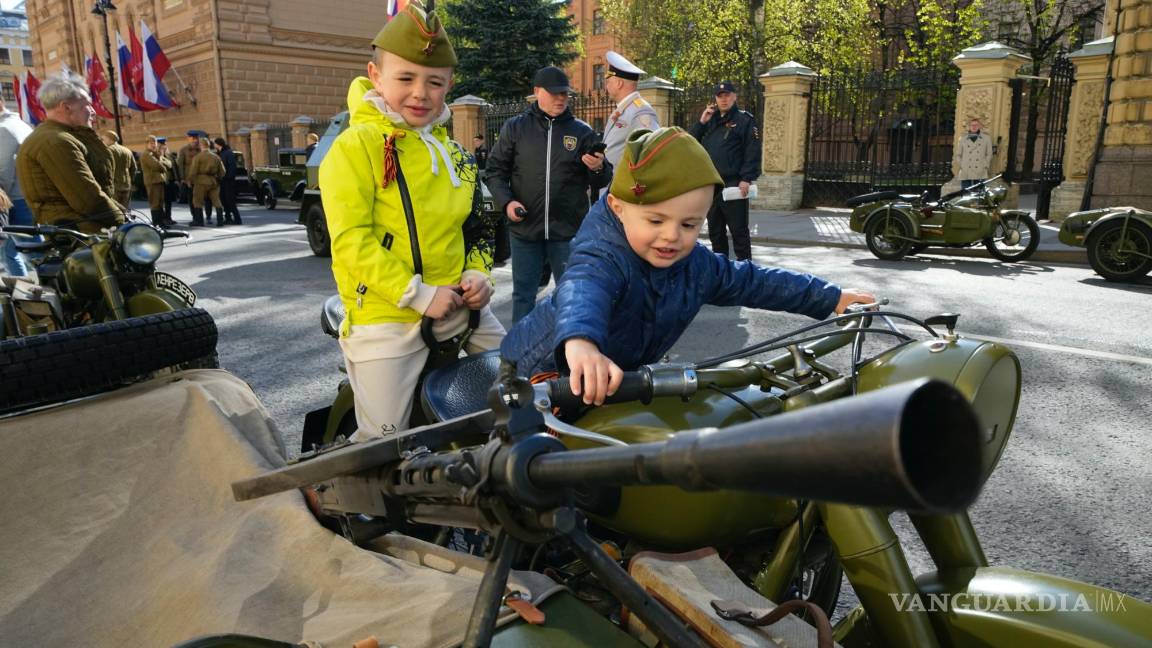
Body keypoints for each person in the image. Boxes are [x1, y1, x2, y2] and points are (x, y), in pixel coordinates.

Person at [500, 127, 874, 404]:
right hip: (536, 378)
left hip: (610, 380)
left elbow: (755, 281)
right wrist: (582, 343)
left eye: (689, 225)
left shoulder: (696, 266)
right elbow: (583, 289)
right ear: (618, 208)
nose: (671, 237)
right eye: (656, 221)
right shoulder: (603, 254)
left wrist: (833, 297)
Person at [318, 3, 504, 441]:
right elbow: (350, 243)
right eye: (405, 78)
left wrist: (478, 274)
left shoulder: (456, 155)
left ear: (449, 85)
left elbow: (478, 227)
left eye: (434, 82)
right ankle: (354, 502)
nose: (420, 93)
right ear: (375, 75)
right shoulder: (354, 148)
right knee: (385, 442)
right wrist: (417, 294)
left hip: (461, 309)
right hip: (387, 315)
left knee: (522, 388)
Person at [485, 65, 610, 323]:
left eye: (564, 93)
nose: (561, 98)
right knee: (523, 296)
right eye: (554, 93)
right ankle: (518, 355)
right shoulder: (516, 128)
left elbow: (602, 178)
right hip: (525, 229)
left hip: (567, 232)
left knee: (571, 295)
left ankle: (566, 353)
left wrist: (598, 168)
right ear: (537, 92)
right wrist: (507, 203)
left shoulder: (581, 131)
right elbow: (495, 170)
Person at [15, 72, 122, 233]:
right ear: (66, 107)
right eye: (87, 105)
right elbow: (87, 198)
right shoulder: (56, 141)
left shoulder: (63, 136)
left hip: (83, 231)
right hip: (80, 237)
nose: (93, 111)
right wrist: (124, 223)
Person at [689, 81, 761, 261]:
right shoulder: (710, 121)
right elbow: (689, 142)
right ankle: (721, 274)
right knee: (715, 232)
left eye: (727, 95)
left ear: (734, 97)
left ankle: (746, 273)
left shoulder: (744, 120)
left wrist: (746, 178)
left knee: (739, 233)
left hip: (734, 185)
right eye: (720, 96)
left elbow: (752, 150)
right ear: (715, 99)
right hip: (712, 185)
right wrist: (701, 122)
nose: (724, 99)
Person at [602, 50, 659, 167]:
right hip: (612, 182)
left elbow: (652, 149)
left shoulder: (641, 110)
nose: (606, 86)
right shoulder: (624, 108)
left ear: (619, 83)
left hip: (626, 183)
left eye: (608, 81)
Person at [0, 97, 35, 276]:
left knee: (8, 253)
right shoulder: (20, 123)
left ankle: (21, 296)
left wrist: (1, 199)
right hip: (26, 195)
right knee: (37, 249)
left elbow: (3, 169)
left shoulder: (3, 129)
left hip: (13, 200)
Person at [187, 136, 225, 227]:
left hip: (201, 181)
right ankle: (220, 221)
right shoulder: (216, 157)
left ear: (201, 145)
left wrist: (190, 180)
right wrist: (218, 178)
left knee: (197, 201)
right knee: (216, 201)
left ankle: (199, 221)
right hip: (213, 181)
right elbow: (223, 171)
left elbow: (193, 171)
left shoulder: (198, 157)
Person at [140, 135, 174, 228]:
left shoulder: (156, 154)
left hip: (159, 181)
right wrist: (162, 163)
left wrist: (161, 161)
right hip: (152, 182)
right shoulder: (147, 154)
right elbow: (157, 166)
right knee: (155, 203)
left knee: (160, 203)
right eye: (151, 143)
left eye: (154, 143)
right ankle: (156, 224)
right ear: (147, 144)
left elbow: (170, 164)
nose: (154, 145)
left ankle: (161, 223)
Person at [100, 130, 137, 210]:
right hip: (127, 185)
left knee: (115, 211)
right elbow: (134, 168)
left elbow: (105, 169)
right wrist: (130, 180)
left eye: (103, 139)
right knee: (125, 210)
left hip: (114, 187)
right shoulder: (127, 150)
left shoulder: (108, 150)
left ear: (110, 139)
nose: (102, 142)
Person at [954, 118, 993, 190]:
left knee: (979, 194)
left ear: (979, 126)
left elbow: (989, 154)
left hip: (980, 169)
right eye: (972, 125)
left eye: (976, 125)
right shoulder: (962, 139)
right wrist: (962, 165)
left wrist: (985, 165)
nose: (974, 127)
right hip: (966, 170)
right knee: (966, 194)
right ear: (969, 126)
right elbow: (958, 155)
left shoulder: (986, 138)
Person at [214, 137, 242, 225]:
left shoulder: (228, 153)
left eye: (215, 144)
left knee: (230, 200)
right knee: (224, 200)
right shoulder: (220, 153)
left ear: (218, 144)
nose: (214, 145)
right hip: (222, 181)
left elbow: (232, 166)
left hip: (228, 181)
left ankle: (237, 219)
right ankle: (228, 218)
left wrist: (228, 177)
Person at [159, 137, 178, 224]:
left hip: (170, 181)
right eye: (162, 145)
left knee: (168, 201)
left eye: (165, 145)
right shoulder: (158, 156)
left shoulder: (170, 156)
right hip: (162, 181)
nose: (165, 146)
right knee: (161, 201)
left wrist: (177, 179)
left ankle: (168, 217)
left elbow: (174, 167)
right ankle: (162, 218)